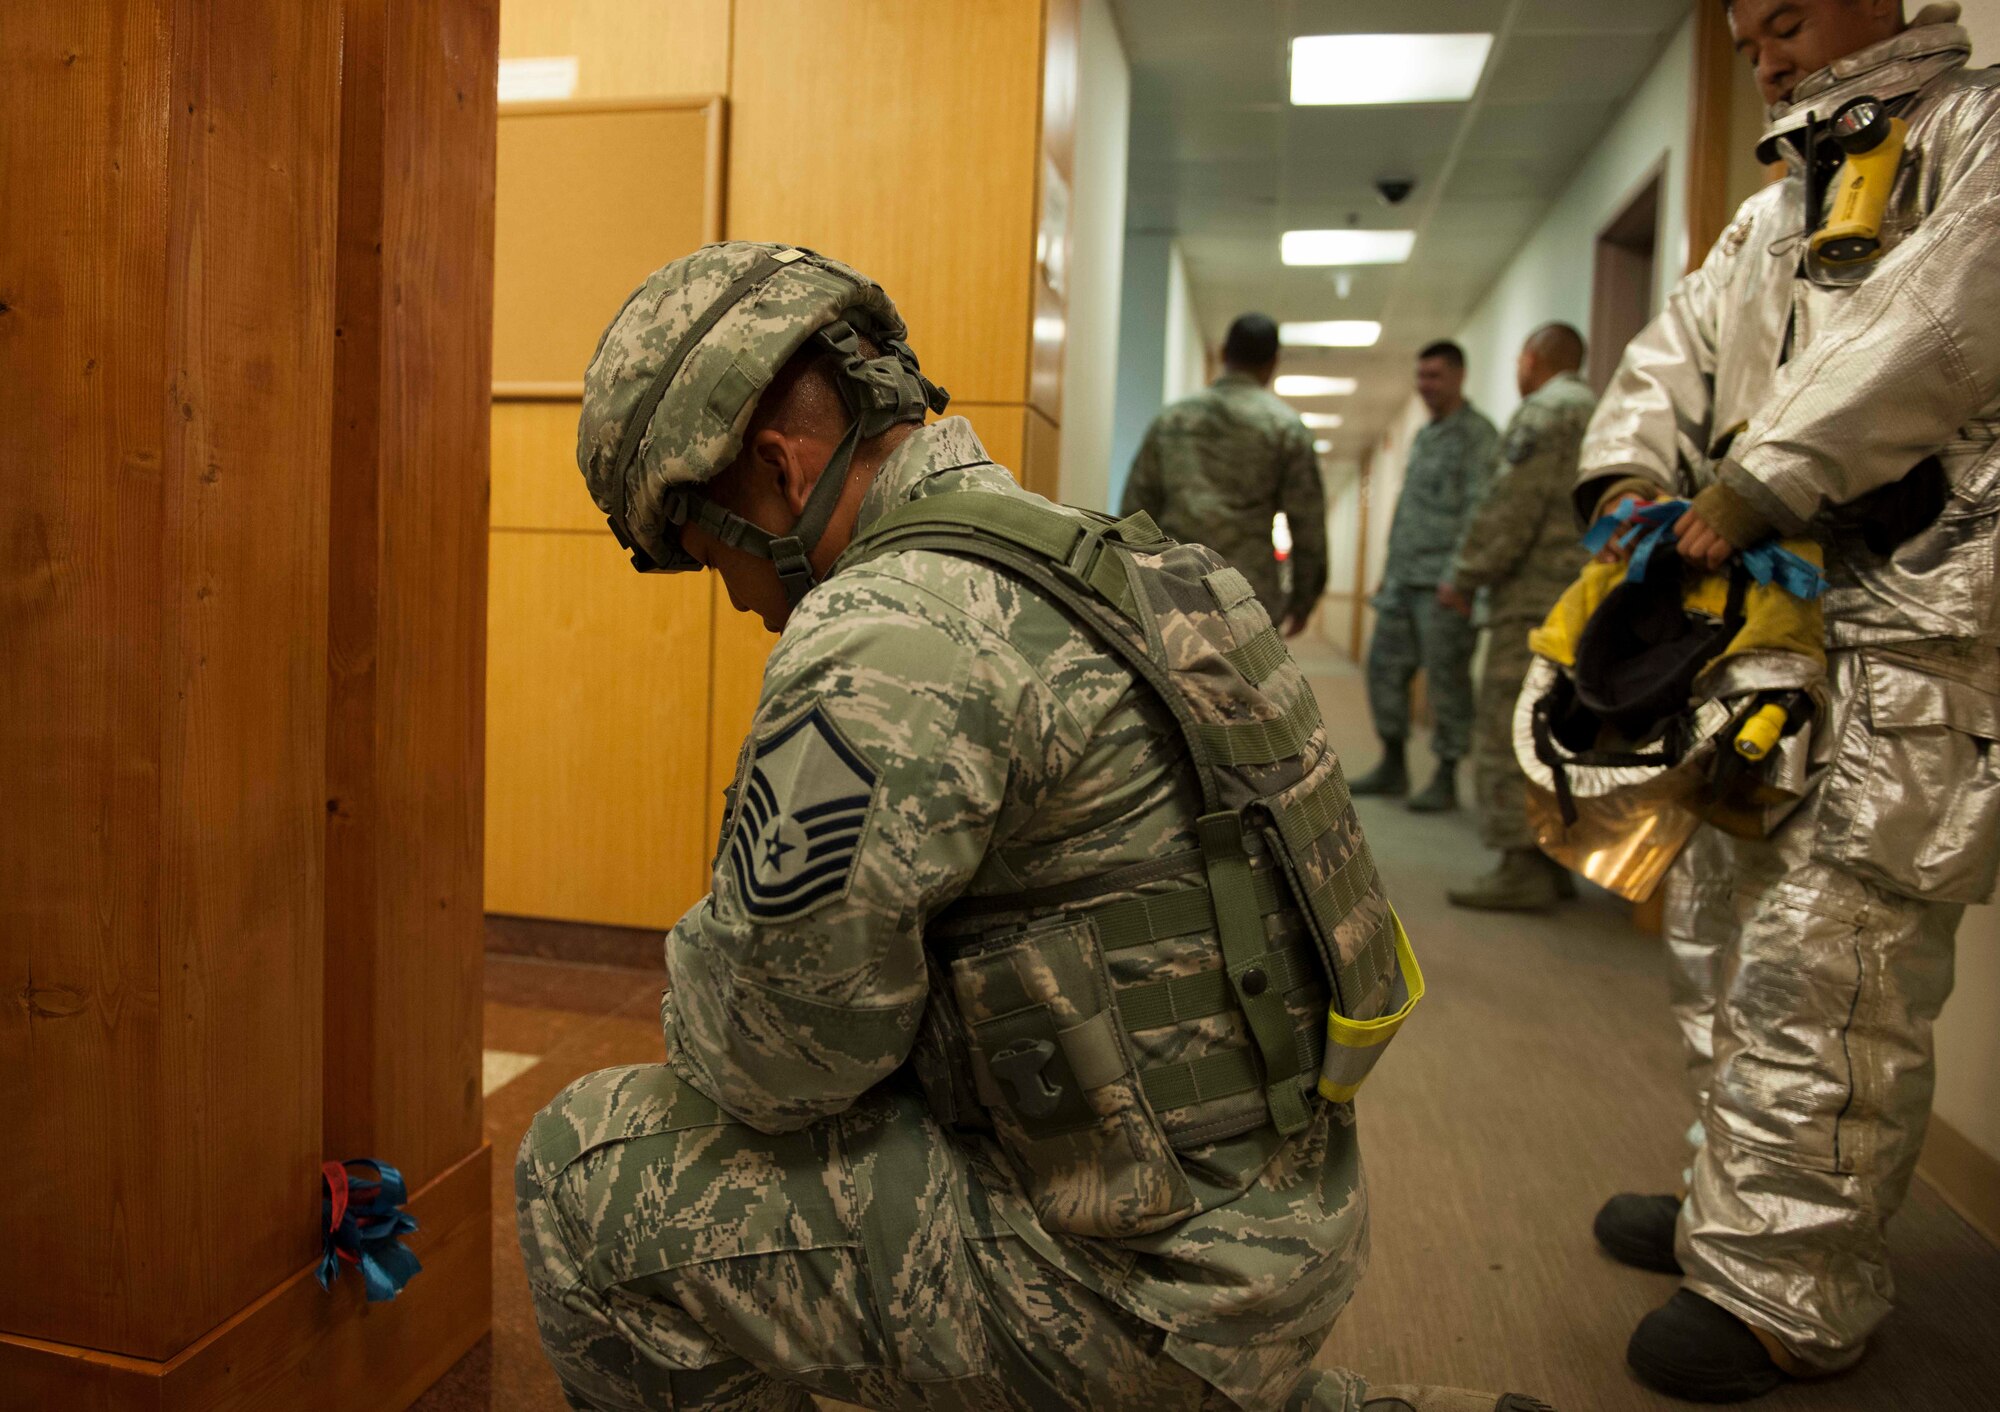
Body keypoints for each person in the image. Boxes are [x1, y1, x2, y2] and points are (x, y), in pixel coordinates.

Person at [514, 241, 1555, 1412]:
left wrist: (715, 966)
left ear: (776, 464)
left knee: (583, 1166)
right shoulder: (1153, 571)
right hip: (1282, 1217)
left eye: (714, 554)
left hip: (1134, 1284)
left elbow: (772, 1058)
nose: (744, 601)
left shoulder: (885, 633)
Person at [1577, 2, 2000, 1401]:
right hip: (1762, 633)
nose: (1767, 52)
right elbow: (1672, 355)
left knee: (1833, 959)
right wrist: (1633, 480)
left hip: (1911, 628)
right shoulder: (1775, 212)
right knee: (1716, 929)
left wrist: (1769, 479)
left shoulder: (1977, 137)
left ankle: (1790, 1291)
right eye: (1750, 31)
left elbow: (1940, 325)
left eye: (1792, 20)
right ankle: (1732, 1214)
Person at [1441, 325, 1596, 912]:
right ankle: (1555, 858)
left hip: (1535, 603)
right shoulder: (1602, 410)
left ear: (1531, 361)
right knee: (1560, 730)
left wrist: (1466, 574)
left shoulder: (1544, 413)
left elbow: (1511, 507)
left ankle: (1520, 864)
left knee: (1512, 725)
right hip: (1585, 602)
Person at [1350, 342, 1501, 813]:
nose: (1425, 385)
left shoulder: (1478, 436)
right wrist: (1388, 572)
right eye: (1420, 376)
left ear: (1459, 376)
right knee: (1383, 670)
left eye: (1434, 376)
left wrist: (1461, 577)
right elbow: (1408, 512)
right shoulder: (1425, 435)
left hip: (1443, 587)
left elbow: (1483, 512)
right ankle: (1393, 763)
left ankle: (1447, 774)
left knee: (1447, 682)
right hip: (1402, 581)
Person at [1120, 312, 1328, 636]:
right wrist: (1303, 601)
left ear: (1223, 353)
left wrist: (1130, 582)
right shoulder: (1285, 428)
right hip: (1248, 590)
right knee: (1248, 682)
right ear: (1273, 363)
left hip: (1170, 582)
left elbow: (1135, 509)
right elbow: (1308, 525)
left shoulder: (1172, 420)